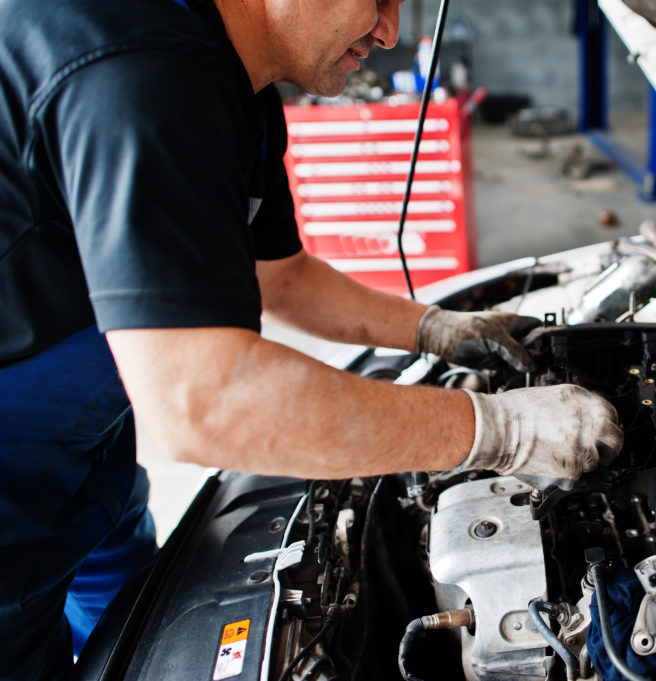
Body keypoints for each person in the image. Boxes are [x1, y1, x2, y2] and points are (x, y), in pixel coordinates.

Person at [0, 0, 623, 679]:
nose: (389, 31)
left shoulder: (241, 84)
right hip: (8, 489)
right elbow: (200, 401)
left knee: (126, 637)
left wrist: (437, 330)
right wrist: (500, 430)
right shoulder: (140, 70)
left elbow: (282, 279)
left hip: (86, 463)